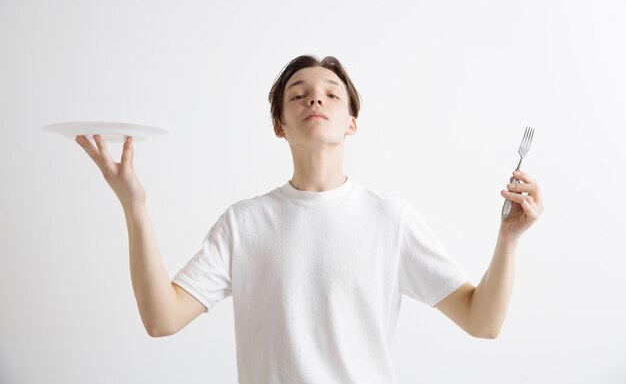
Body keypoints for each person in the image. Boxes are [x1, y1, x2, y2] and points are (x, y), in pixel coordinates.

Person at [75, 54, 544, 383]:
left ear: (352, 122)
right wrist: (134, 206)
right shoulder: (244, 224)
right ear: (280, 125)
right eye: (298, 95)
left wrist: (509, 240)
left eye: (331, 94)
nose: (315, 101)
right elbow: (162, 319)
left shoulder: (392, 219)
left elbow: (482, 322)